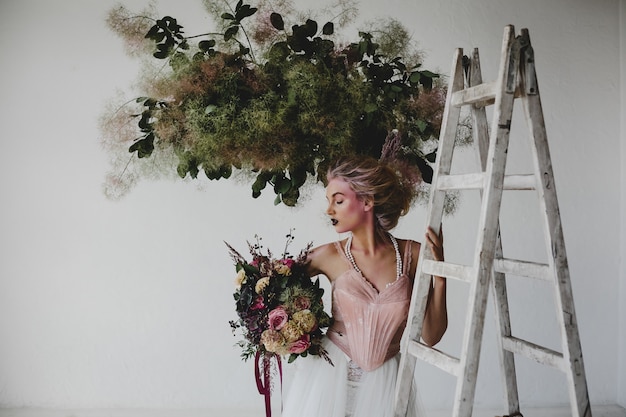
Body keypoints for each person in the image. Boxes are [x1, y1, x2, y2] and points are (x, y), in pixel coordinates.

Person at [281, 155, 446, 417]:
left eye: (338, 200)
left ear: (367, 202)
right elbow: (272, 286)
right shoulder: (326, 256)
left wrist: (440, 275)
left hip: (386, 382)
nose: (329, 210)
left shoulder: (412, 255)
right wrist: (282, 330)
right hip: (330, 375)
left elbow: (431, 336)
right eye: (329, 201)